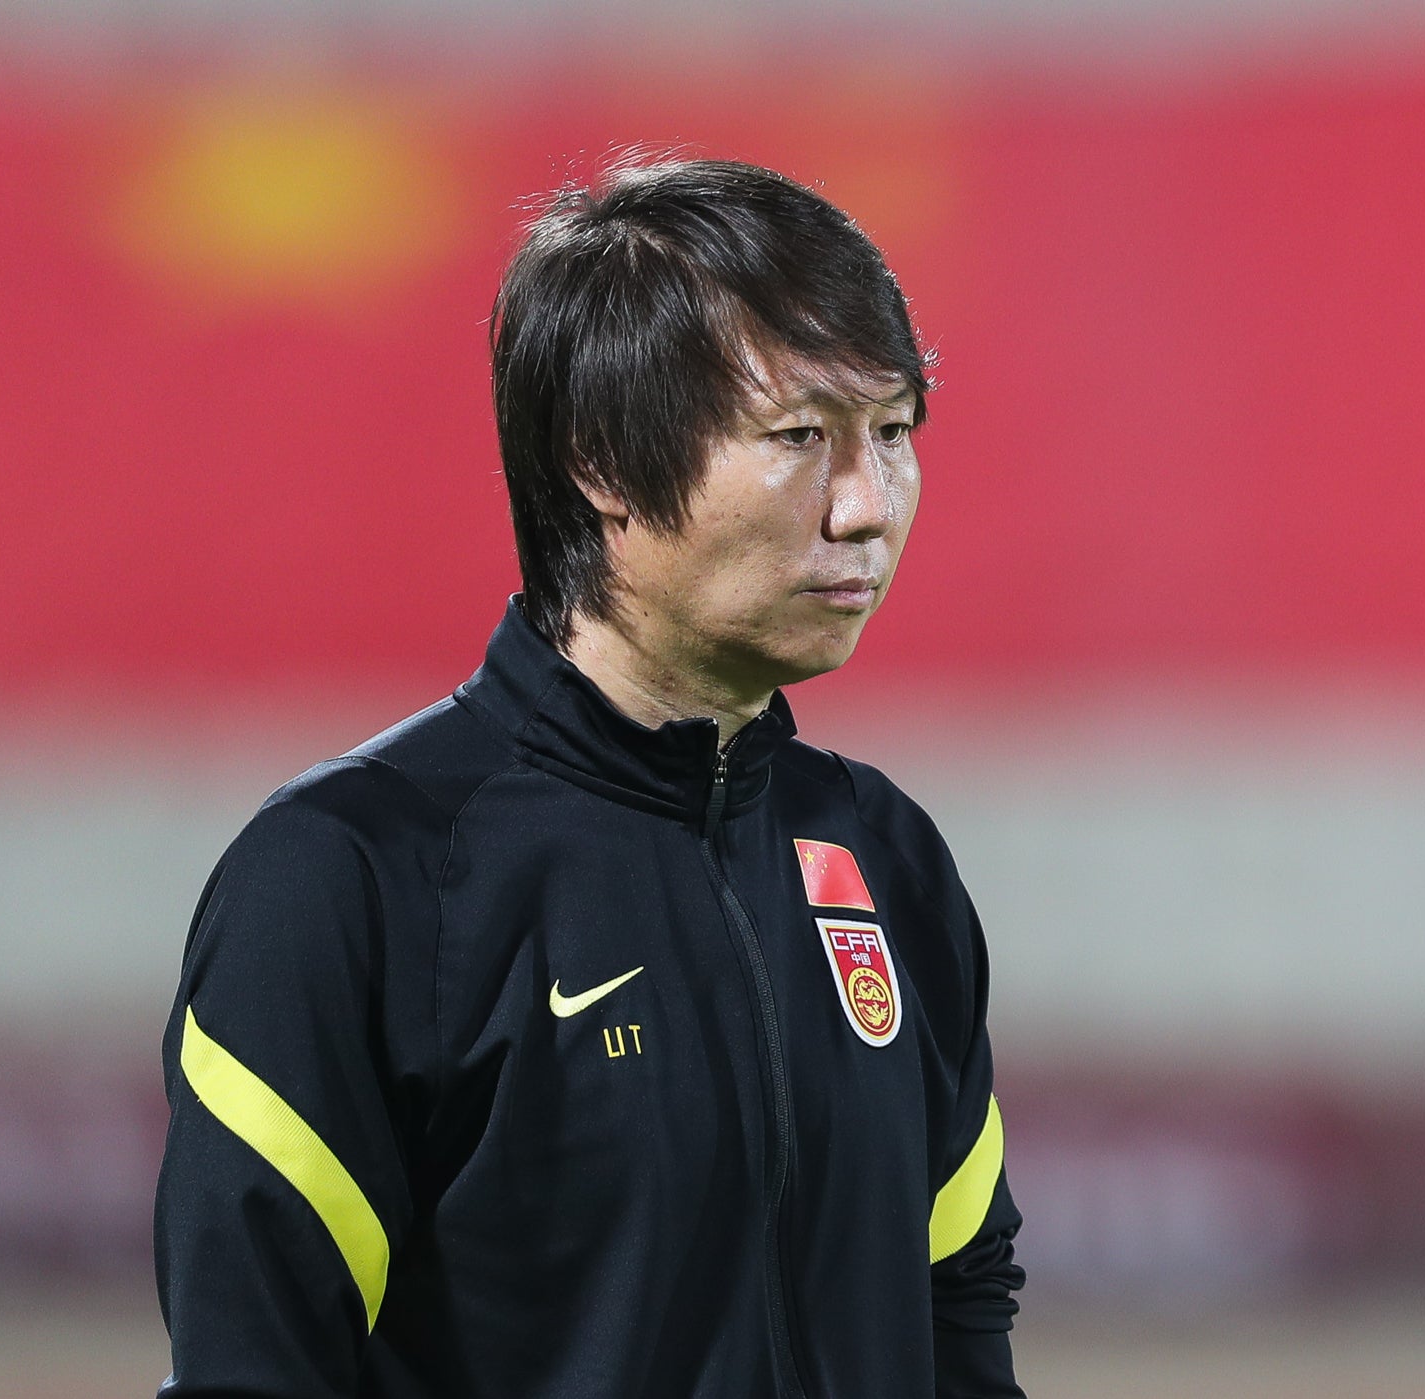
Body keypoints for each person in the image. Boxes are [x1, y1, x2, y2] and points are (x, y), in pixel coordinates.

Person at [152, 158, 1025, 1399]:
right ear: (603, 460)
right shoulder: (346, 882)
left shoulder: (887, 859)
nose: (865, 508)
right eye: (798, 439)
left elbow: (959, 1313)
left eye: (892, 433)